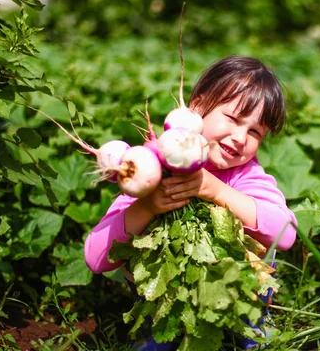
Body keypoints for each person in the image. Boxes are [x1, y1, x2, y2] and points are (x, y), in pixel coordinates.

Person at [84, 55, 297, 350]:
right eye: (233, 119)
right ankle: (158, 334)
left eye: (254, 132)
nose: (239, 137)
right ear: (196, 108)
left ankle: (253, 327)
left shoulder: (245, 176)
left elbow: (285, 234)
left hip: (237, 303)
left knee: (261, 337)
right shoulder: (151, 170)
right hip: (164, 309)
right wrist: (147, 207)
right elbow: (96, 259)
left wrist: (215, 190)